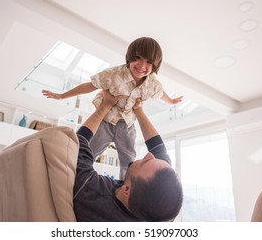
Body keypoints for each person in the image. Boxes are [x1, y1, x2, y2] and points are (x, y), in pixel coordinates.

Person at [42, 36, 182, 179]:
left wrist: (170, 101)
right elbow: (89, 86)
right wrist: (62, 96)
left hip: (127, 125)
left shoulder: (153, 84)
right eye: (138, 58)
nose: (142, 65)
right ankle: (73, 178)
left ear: (155, 65)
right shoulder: (113, 75)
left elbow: (161, 93)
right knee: (87, 152)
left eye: (148, 62)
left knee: (129, 162)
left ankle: (125, 187)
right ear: (129, 57)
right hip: (106, 120)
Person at [73, 89, 183, 221]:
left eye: (145, 162)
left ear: (126, 190)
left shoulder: (91, 191)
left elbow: (78, 142)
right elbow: (158, 149)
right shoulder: (160, 212)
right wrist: (139, 111)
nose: (149, 155)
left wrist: (105, 106)